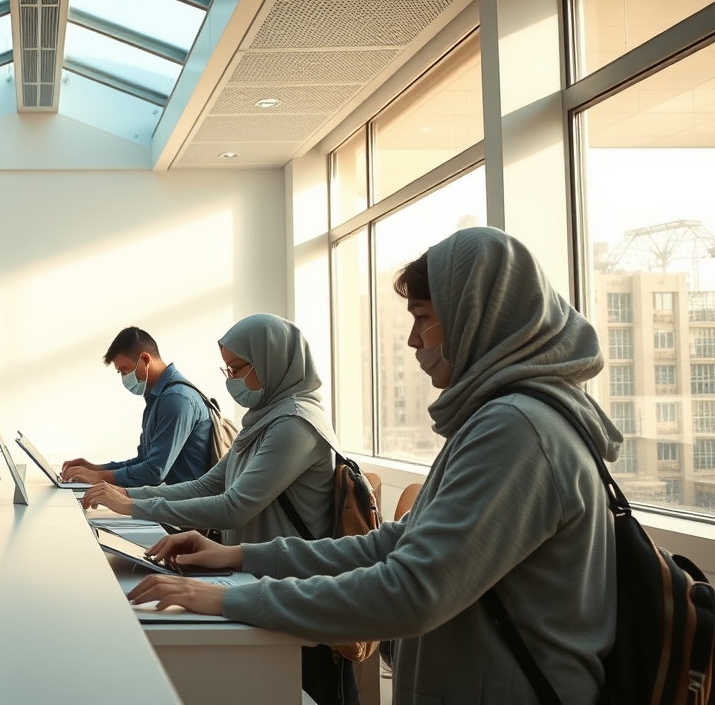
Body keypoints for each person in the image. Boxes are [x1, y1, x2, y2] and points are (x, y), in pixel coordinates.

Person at [128, 228, 619, 705]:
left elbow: (411, 590)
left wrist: (227, 599)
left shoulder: (516, 429)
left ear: (473, 315)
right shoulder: (499, 417)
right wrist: (237, 559)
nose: (411, 340)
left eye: (422, 317)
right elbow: (397, 543)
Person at [80, 315, 336, 548]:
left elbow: (233, 507)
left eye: (235, 369)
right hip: (248, 568)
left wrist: (134, 506)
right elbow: (206, 486)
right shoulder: (262, 420)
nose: (230, 379)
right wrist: (125, 494)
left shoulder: (297, 423)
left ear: (270, 362)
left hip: (280, 582)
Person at [60, 327, 215, 487]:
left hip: (185, 507)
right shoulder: (157, 398)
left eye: (124, 370)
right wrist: (94, 469)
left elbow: (154, 472)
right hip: (168, 502)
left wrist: (99, 477)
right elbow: (143, 462)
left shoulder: (177, 398)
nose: (124, 378)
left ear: (145, 360)